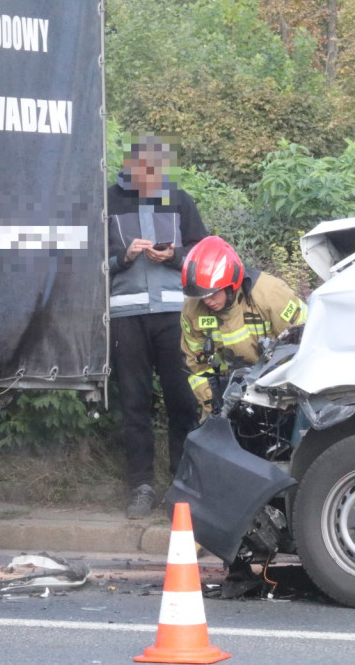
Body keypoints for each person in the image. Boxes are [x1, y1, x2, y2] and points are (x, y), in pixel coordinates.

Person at [107, 134, 207, 519]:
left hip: (175, 315)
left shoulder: (180, 199)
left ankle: (181, 488)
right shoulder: (108, 200)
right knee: (134, 405)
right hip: (126, 316)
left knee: (183, 402)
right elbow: (89, 254)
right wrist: (124, 256)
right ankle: (141, 487)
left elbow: (202, 253)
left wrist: (174, 255)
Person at [180, 235, 308, 418]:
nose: (207, 301)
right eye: (201, 295)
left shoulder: (272, 296)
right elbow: (197, 363)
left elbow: (305, 344)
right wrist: (214, 402)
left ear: (232, 283)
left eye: (213, 293)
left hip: (280, 388)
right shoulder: (193, 310)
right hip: (227, 392)